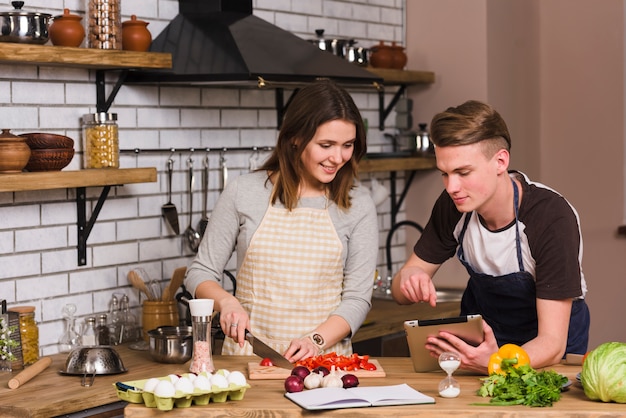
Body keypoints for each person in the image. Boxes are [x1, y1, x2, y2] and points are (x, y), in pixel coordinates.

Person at [185, 80, 378, 363]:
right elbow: (199, 272)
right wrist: (227, 302)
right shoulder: (245, 192)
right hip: (246, 359)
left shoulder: (358, 205)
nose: (337, 158)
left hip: (324, 364)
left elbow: (358, 299)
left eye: (347, 145)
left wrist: (315, 340)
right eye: (326, 145)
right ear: (295, 138)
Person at [391, 100, 590, 374]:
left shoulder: (551, 217)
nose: (452, 187)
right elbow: (400, 291)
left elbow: (552, 342)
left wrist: (496, 363)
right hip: (483, 348)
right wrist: (410, 278)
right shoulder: (454, 206)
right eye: (444, 174)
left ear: (500, 161)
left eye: (463, 172)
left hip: (547, 357)